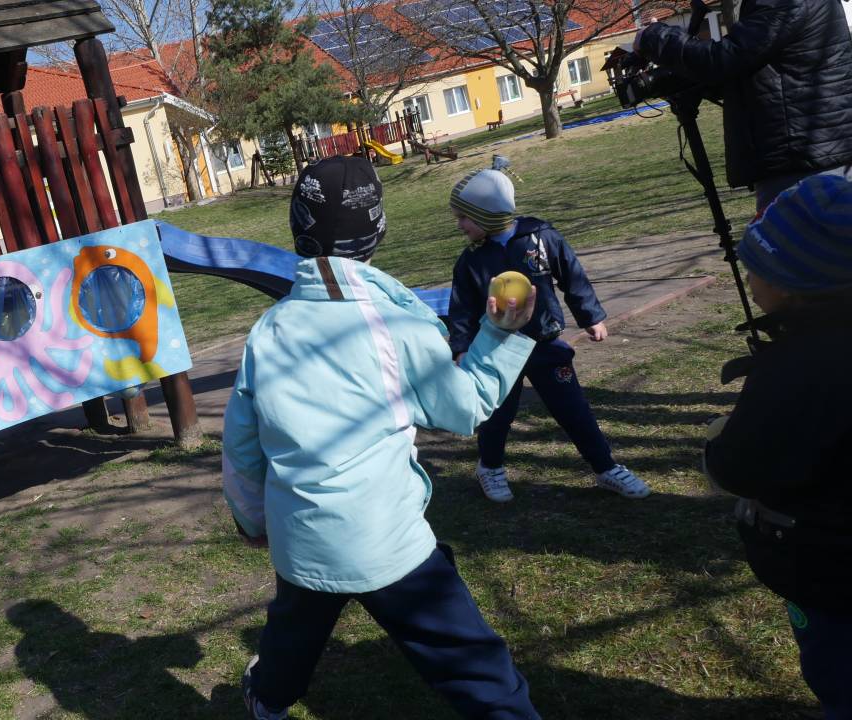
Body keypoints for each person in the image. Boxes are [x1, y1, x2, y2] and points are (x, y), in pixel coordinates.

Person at [223, 156, 542, 720]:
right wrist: (499, 334)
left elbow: (242, 448)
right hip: (386, 541)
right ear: (377, 231)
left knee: (293, 632)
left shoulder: (268, 330)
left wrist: (252, 522)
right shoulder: (398, 325)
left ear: (298, 230)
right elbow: (465, 406)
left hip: (302, 539)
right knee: (470, 661)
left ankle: (267, 698)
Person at [703, 173, 852, 718]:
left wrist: (716, 443)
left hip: (833, 573)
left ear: (789, 283)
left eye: (753, 267)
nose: (747, 279)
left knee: (838, 673)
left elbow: (741, 467)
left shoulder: (797, 368)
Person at [447, 169, 651, 503]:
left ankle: (605, 467)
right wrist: (461, 348)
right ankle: (490, 467)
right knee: (497, 414)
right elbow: (462, 309)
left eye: (463, 217)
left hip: (545, 344)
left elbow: (572, 275)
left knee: (574, 409)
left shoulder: (541, 237)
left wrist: (591, 317)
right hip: (497, 351)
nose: (459, 225)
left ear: (486, 212)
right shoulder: (471, 260)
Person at [631, 0, 852, 211]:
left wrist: (654, 37)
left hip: (803, 160)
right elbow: (755, 68)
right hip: (807, 153)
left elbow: (723, 59)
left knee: (788, 236)